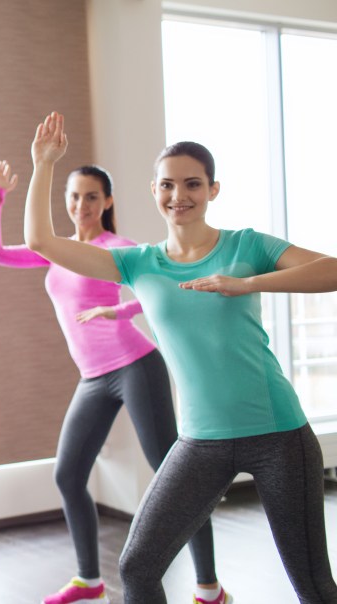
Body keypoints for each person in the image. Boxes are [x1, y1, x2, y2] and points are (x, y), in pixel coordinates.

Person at [23, 111, 337, 604]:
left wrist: (248, 283)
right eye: (168, 185)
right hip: (201, 441)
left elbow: (332, 270)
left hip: (278, 434)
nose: (179, 196)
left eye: (193, 184)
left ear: (213, 190)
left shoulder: (246, 246)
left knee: (313, 587)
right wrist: (43, 165)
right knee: (137, 567)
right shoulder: (136, 262)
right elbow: (41, 242)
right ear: (153, 191)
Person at [0, 160, 222, 603]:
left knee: (175, 475)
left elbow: (162, 287)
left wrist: (119, 310)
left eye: (91, 196)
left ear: (107, 201)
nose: (81, 205)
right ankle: (89, 581)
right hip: (93, 376)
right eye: (73, 196)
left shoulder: (116, 247)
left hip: (135, 365)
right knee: (69, 474)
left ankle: (209, 587)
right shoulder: (56, 248)